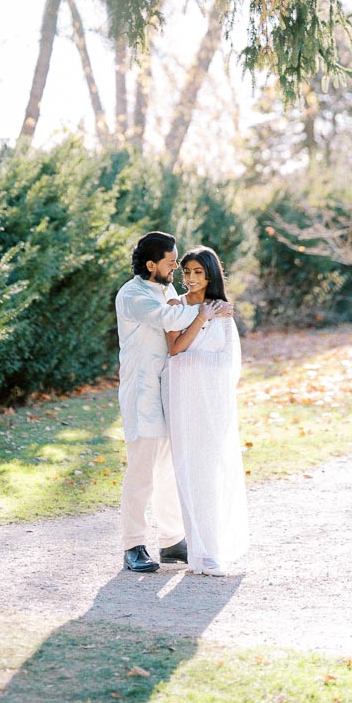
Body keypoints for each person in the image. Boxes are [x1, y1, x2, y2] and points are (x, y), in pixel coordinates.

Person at [115, 231, 232, 574]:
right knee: (141, 472)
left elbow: (180, 315)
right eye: (171, 262)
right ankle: (133, 545)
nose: (176, 267)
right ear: (152, 264)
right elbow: (169, 319)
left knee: (169, 469)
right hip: (142, 393)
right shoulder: (133, 295)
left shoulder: (165, 291)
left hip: (169, 391)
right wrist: (208, 309)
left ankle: (170, 541)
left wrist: (206, 307)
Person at [162, 245, 249, 576]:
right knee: (188, 469)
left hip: (212, 402)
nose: (191, 278)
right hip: (183, 400)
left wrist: (197, 360)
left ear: (210, 274)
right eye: (187, 272)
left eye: (198, 272)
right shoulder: (176, 306)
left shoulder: (222, 310)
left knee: (212, 470)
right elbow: (176, 349)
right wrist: (201, 317)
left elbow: (228, 360)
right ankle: (199, 553)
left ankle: (213, 550)